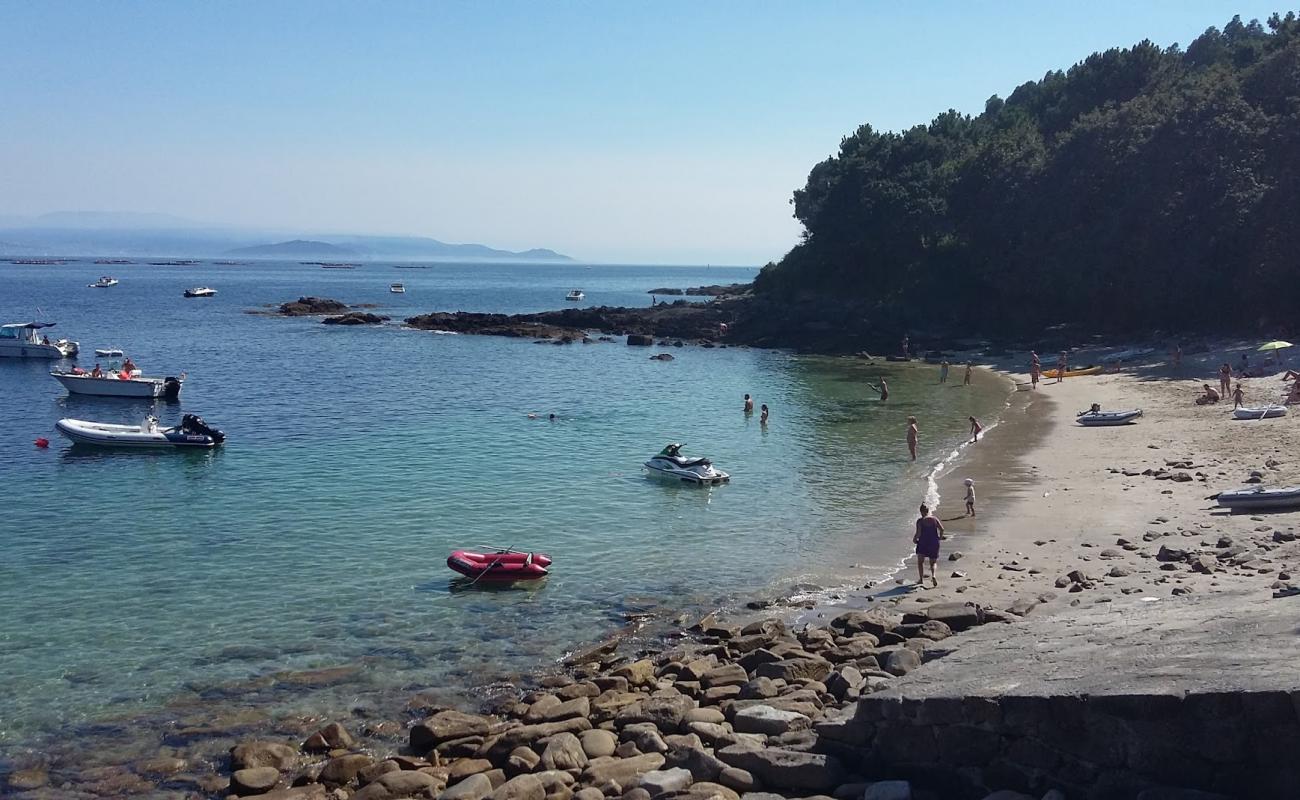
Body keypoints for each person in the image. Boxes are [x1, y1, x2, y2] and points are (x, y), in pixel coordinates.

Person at [912, 504, 944, 587]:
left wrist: (915, 539)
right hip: (934, 542)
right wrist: (939, 538)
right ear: (928, 510)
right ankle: (933, 575)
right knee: (933, 562)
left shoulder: (920, 521)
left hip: (923, 543)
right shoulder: (935, 519)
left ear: (921, 511)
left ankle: (921, 579)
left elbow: (918, 533)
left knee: (920, 562)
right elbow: (942, 529)